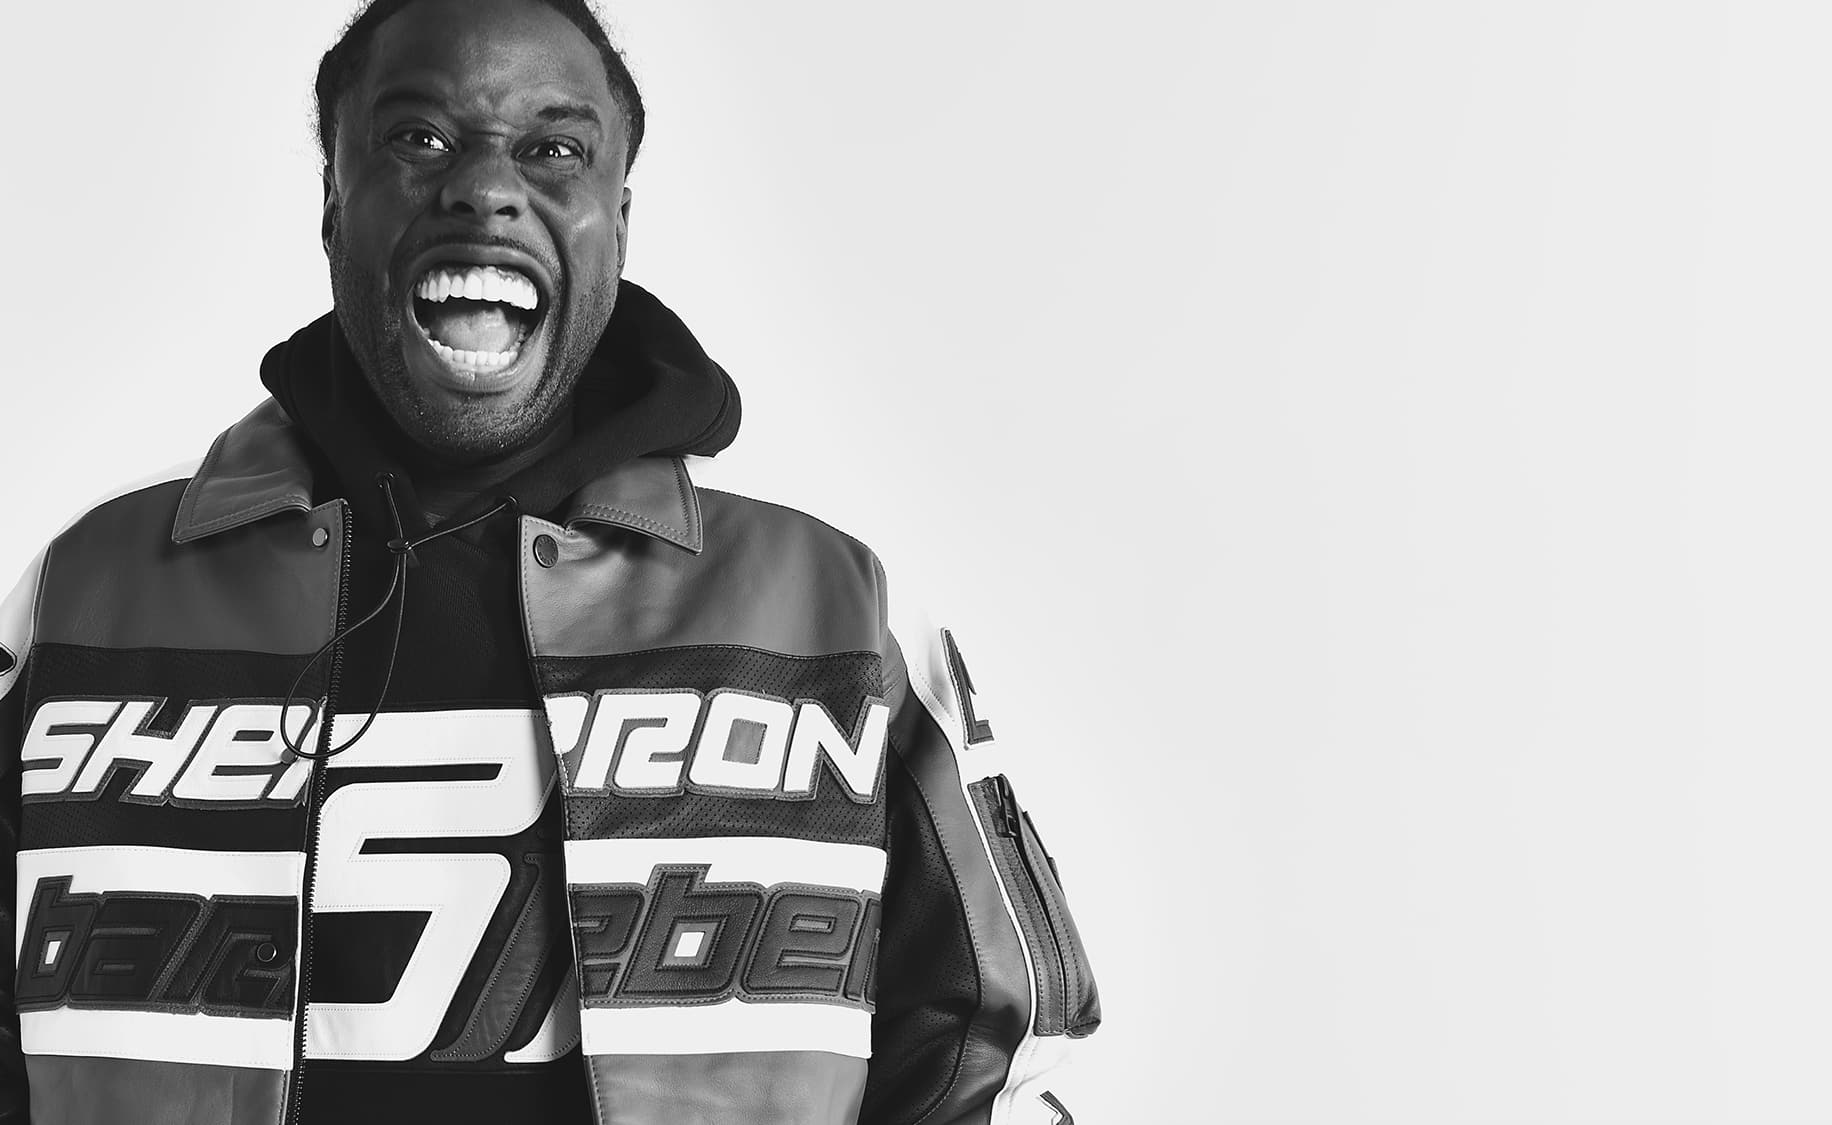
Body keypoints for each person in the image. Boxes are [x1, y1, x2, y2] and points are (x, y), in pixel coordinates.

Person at [0, 0, 1100, 1121]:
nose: (483, 188)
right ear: (334, 199)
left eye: (553, 149)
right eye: (418, 137)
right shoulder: (89, 591)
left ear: (616, 217)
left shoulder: (830, 605)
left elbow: (1000, 1052)